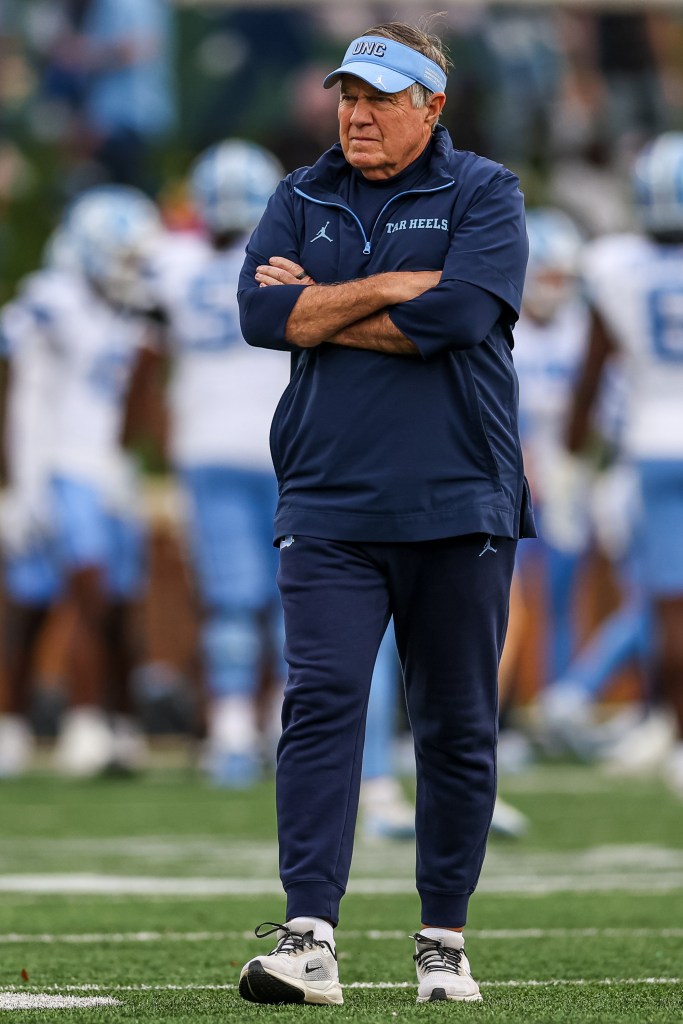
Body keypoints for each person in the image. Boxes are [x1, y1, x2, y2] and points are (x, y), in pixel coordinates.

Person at [235, 20, 533, 1006]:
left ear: (430, 106)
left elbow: (459, 314)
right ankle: (308, 936)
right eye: (348, 97)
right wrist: (390, 291)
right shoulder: (299, 193)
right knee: (321, 701)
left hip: (459, 494)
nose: (356, 116)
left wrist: (321, 307)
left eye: (379, 99)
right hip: (326, 496)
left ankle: (441, 938)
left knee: (454, 723)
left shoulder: (484, 190)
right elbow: (260, 317)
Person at [0, 186, 160, 776]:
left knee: (118, 605)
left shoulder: (133, 307)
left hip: (106, 470)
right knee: (41, 602)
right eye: (124, 255)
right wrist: (17, 483)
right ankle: (49, 722)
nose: (134, 266)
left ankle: (115, 725)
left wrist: (123, 460)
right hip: (56, 465)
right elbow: (17, 393)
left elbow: (133, 397)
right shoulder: (49, 300)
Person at [147, 138, 290, 787]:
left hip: (205, 445)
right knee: (294, 595)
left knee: (230, 601)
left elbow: (144, 357)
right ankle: (287, 728)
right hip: (285, 444)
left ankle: (231, 734)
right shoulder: (296, 255)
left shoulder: (170, 264)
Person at [564, 130, 683, 795]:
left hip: (656, 441)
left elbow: (591, 374)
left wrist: (570, 456)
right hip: (655, 440)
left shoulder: (616, 266)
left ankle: (676, 735)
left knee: (670, 604)